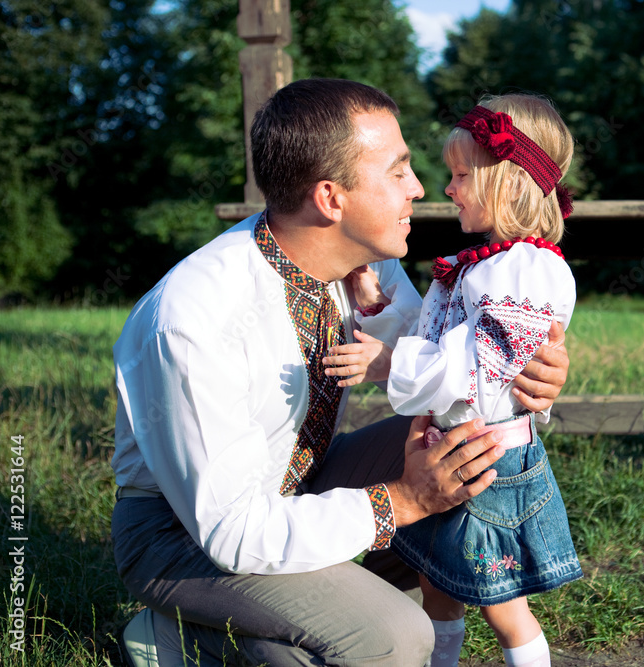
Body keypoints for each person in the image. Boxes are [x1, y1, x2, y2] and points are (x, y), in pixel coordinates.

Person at [110, 78, 572, 667]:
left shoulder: (361, 256)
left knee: (470, 447)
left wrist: (525, 370)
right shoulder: (193, 319)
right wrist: (399, 502)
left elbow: (441, 356)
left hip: (299, 479)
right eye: (398, 171)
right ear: (331, 198)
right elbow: (232, 529)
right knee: (395, 638)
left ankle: (305, 619)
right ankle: (183, 637)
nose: (421, 188)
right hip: (187, 535)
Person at [326, 94, 581, 667]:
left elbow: (486, 375)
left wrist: (389, 365)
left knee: (501, 602)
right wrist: (378, 304)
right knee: (437, 581)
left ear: (507, 183)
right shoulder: (484, 265)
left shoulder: (528, 271)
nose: (446, 188)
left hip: (488, 460)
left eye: (461, 175)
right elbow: (435, 338)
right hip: (454, 452)